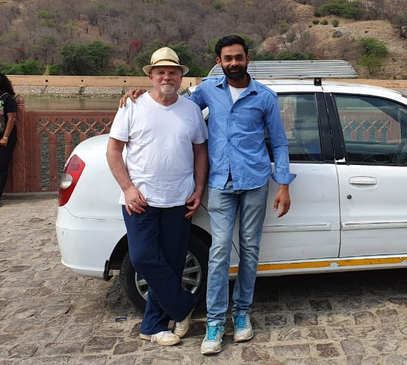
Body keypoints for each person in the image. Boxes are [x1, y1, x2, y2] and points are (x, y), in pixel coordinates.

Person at [121, 35, 294, 355]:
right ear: (218, 62)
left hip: (255, 182)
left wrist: (282, 184)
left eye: (238, 57)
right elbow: (171, 103)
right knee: (219, 254)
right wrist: (140, 95)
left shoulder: (265, 97)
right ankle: (215, 321)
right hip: (219, 184)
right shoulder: (206, 93)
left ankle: (242, 316)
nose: (233, 63)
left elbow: (280, 143)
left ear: (247, 59)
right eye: (227, 58)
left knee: (250, 251)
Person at [107, 47, 208, 346]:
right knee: (143, 258)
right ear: (150, 76)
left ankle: (152, 326)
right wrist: (128, 188)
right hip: (140, 201)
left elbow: (200, 152)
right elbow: (114, 151)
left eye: (172, 72)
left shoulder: (191, 110)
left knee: (174, 264)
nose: (167, 76)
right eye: (160, 72)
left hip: (179, 201)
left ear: (180, 77)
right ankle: (184, 305)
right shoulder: (132, 106)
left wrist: (199, 188)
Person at [0, 73, 19, 206]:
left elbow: (11, 119)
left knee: (1, 166)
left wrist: (5, 137)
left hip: (5, 137)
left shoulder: (7, 99)